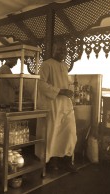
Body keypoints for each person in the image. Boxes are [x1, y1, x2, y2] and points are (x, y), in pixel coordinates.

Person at [37, 38, 78, 172]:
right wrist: (60, 91)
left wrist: (70, 90)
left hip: (66, 104)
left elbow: (66, 84)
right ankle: (51, 161)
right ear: (52, 50)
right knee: (53, 133)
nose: (62, 52)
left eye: (64, 49)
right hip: (53, 104)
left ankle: (67, 160)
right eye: (59, 49)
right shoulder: (46, 64)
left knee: (70, 133)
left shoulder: (64, 66)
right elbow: (41, 84)